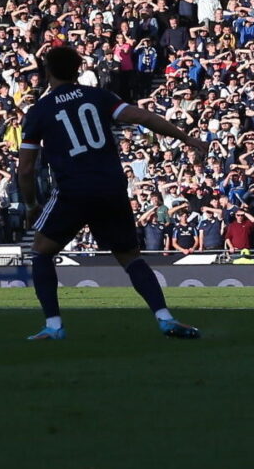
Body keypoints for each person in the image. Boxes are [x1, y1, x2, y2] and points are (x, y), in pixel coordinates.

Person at [14, 43, 204, 342]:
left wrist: (30, 205)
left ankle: (53, 325)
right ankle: (165, 318)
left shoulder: (40, 111)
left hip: (73, 189)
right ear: (78, 69)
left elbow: (25, 169)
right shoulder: (98, 96)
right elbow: (144, 118)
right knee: (131, 257)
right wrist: (186, 139)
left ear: (47, 71)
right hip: (111, 187)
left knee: (41, 252)